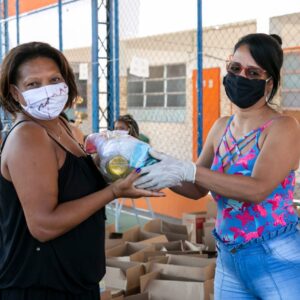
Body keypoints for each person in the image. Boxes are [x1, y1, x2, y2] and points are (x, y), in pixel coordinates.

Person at [135, 33, 300, 299]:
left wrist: (190, 169)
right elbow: (196, 188)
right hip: (229, 260)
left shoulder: (284, 127)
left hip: (276, 257)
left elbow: (257, 189)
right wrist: (151, 165)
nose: (241, 77)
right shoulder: (221, 126)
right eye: (235, 68)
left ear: (269, 84)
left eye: (253, 73)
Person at [0, 41, 164, 300]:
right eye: (33, 84)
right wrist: (113, 192)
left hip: (75, 282)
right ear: (15, 92)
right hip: (41, 286)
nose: (47, 90)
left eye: (54, 79)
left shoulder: (64, 128)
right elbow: (43, 225)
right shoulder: (29, 136)